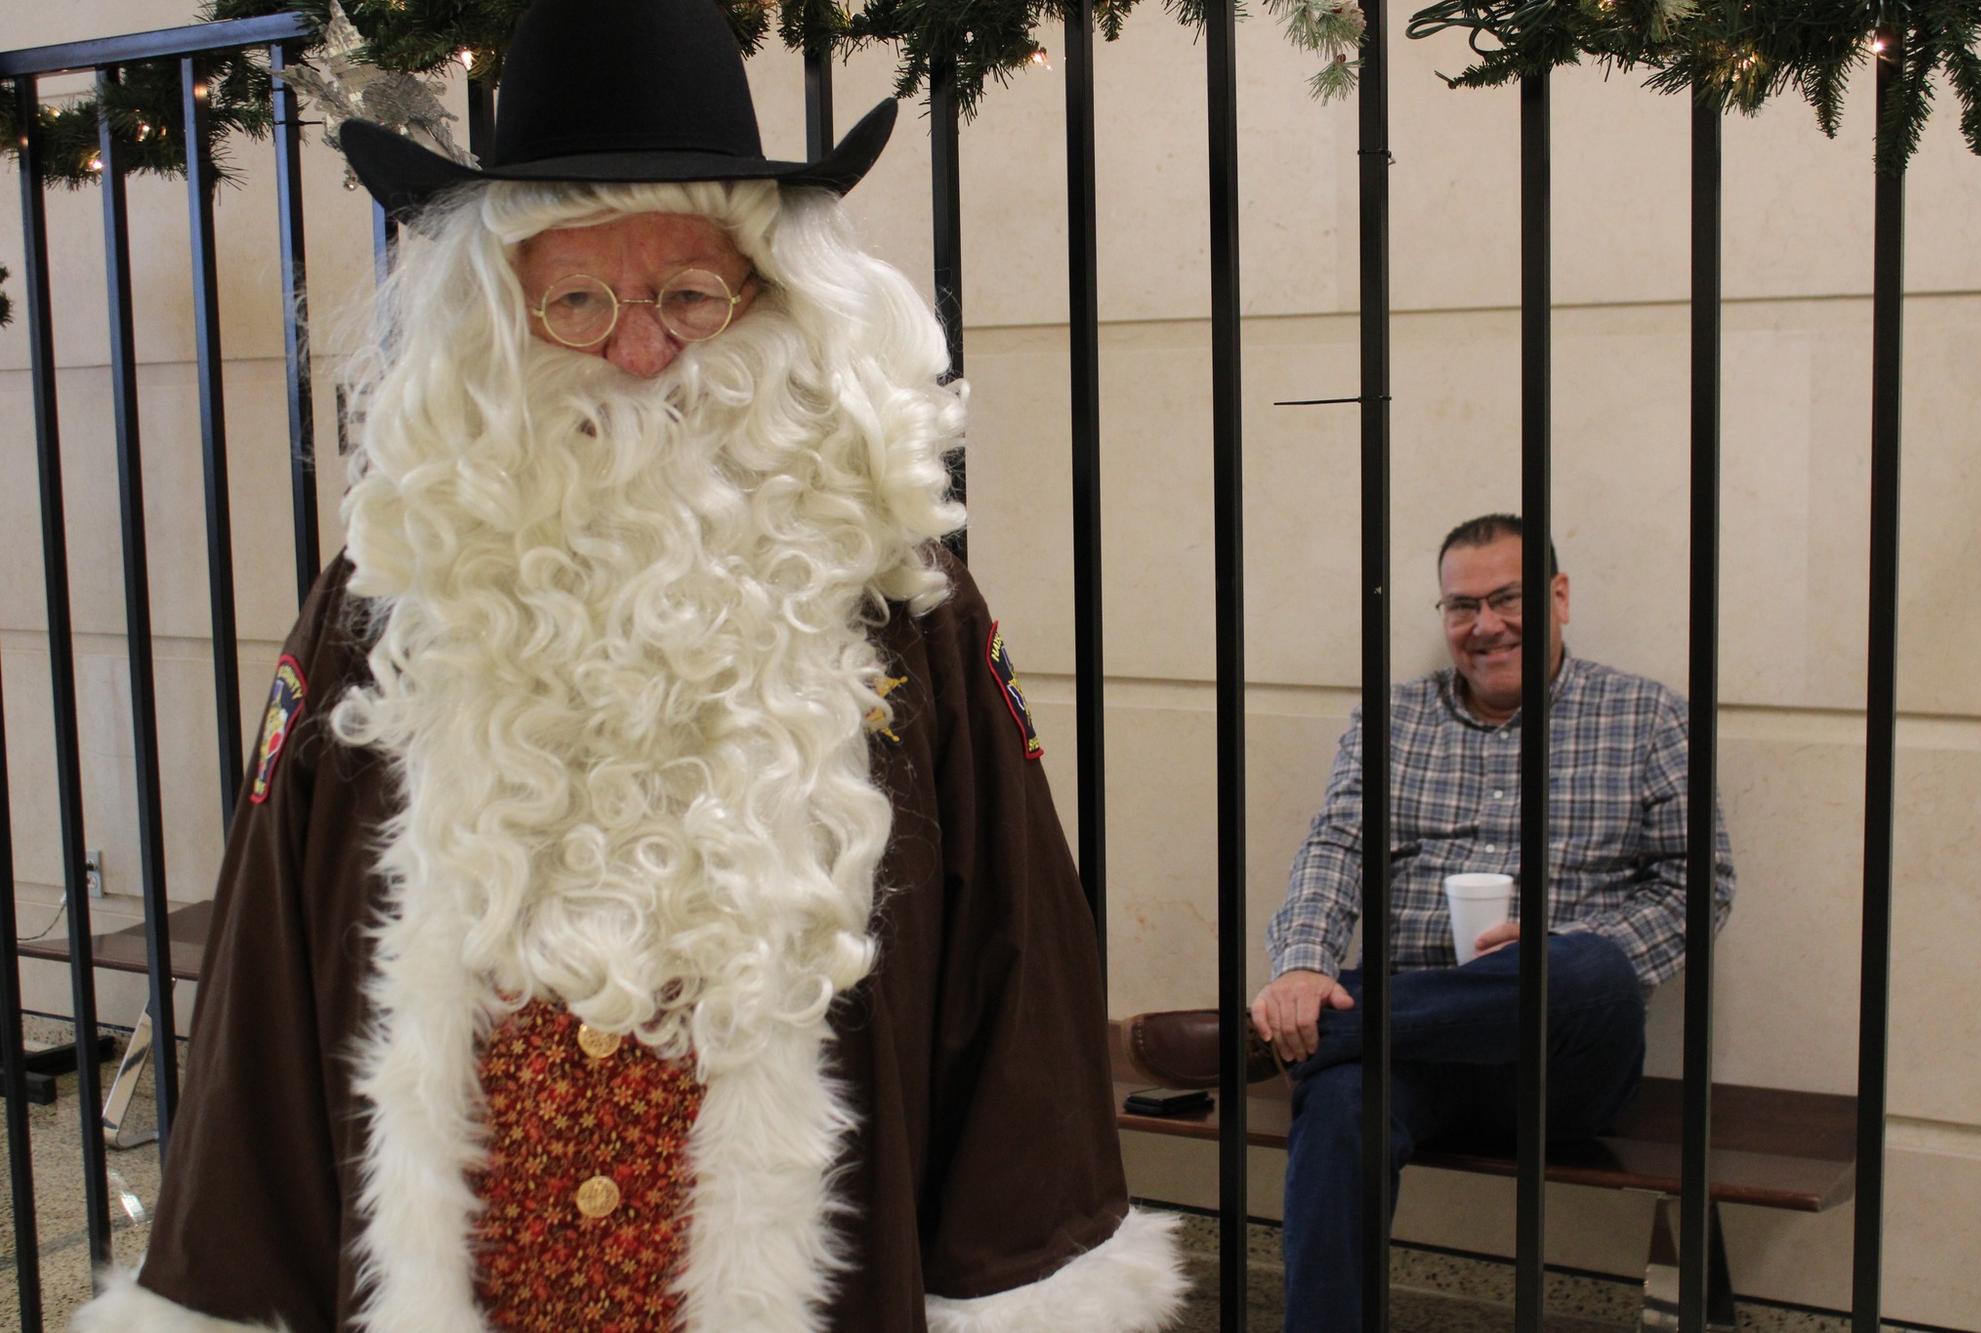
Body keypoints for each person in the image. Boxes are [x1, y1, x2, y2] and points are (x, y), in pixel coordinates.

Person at [73, 2, 1184, 1330]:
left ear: (770, 302)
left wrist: (1012, 1280)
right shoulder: (384, 595)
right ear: (500, 314)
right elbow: (268, 971)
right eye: (580, 299)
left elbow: (1014, 965)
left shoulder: (901, 607)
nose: (641, 351)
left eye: (689, 295)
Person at [1126, 512, 1733, 1333]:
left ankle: (1297, 1031)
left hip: (1562, 1062)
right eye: (1460, 606)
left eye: (1507, 598)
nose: (1484, 626)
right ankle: (1330, 1022)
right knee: (1340, 1099)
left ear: (1558, 597)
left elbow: (1700, 883)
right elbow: (1334, 847)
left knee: (1586, 969)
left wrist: (1561, 946)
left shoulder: (1646, 716)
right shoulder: (1394, 718)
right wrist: (1302, 965)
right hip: (1413, 1051)